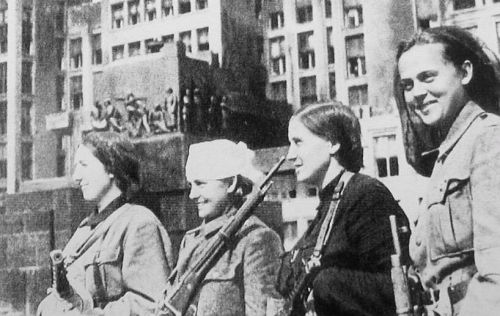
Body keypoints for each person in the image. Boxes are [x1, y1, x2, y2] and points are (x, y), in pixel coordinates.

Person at [394, 26, 500, 316]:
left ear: (465, 72)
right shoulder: (449, 152)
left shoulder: (489, 138)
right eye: (407, 85)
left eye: (428, 77)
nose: (417, 93)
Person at [277, 101, 410, 316]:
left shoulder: (365, 195)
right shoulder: (330, 203)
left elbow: (398, 287)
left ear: (332, 143)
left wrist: (327, 284)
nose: (290, 155)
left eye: (298, 142)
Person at [37, 131, 174, 315]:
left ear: (111, 168)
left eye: (84, 165)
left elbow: (149, 303)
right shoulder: (85, 228)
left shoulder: (139, 223)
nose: (76, 176)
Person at [169, 139, 283, 315]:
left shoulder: (256, 239)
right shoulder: (191, 240)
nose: (192, 194)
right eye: (191, 185)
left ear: (231, 184)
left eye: (201, 184)